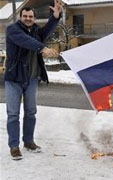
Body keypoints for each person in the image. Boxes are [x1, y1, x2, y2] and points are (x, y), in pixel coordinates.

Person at [4, 0, 63, 160]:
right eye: (25, 16)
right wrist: (42, 48)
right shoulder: (12, 30)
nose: (28, 18)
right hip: (14, 78)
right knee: (13, 114)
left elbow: (46, 31)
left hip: (31, 79)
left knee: (31, 112)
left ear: (34, 18)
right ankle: (14, 146)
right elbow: (25, 41)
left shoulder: (36, 31)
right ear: (20, 17)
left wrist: (55, 17)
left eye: (31, 16)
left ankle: (28, 142)